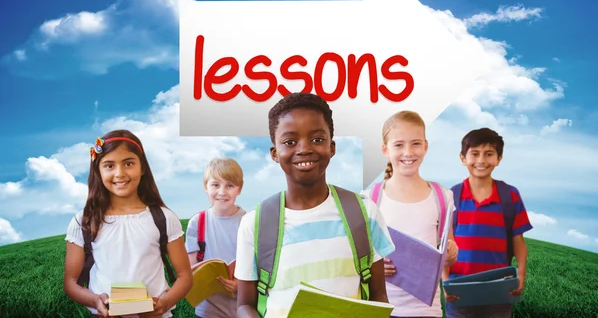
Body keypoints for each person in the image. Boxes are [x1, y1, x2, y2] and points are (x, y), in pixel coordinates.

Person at [235, 92, 395, 318]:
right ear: (274, 153)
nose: (304, 149)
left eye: (317, 139)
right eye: (290, 142)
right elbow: (244, 305)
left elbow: (379, 297)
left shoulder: (364, 213)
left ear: (332, 147)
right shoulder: (255, 224)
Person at [63, 130, 193, 318]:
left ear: (142, 167)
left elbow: (185, 277)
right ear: (98, 171)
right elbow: (70, 282)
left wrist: (164, 303)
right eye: (109, 166)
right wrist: (95, 300)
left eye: (128, 163)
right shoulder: (83, 221)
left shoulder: (163, 218)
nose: (120, 173)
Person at [361, 111, 459, 318]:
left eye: (415, 143)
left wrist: (450, 253)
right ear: (385, 150)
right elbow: (361, 255)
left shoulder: (443, 197)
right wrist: (374, 265)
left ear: (425, 146)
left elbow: (448, 247)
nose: (408, 152)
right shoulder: (370, 198)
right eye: (399, 145)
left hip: (426, 310)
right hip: (382, 308)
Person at [444, 128, 533, 318]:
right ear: (462, 158)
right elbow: (446, 243)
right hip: (460, 289)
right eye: (474, 154)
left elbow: (518, 240)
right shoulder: (453, 196)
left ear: (499, 158)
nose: (481, 161)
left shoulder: (510, 195)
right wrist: (445, 281)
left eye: (489, 154)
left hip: (499, 290)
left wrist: (522, 275)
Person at [185, 157, 246, 318]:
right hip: (207, 310)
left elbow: (260, 264)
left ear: (239, 189)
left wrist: (240, 284)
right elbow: (191, 270)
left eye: (230, 185)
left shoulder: (249, 222)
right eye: (215, 185)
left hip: (242, 308)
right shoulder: (197, 223)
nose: (222, 192)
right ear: (206, 187)